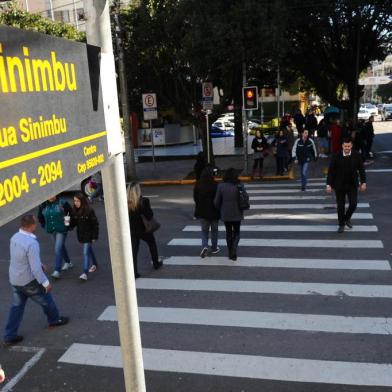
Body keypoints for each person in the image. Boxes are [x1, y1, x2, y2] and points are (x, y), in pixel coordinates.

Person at [3, 215, 69, 346]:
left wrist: (39, 264)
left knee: (17, 307)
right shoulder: (32, 243)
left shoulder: (14, 237)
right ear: (32, 226)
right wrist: (45, 283)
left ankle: (9, 335)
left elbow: (21, 259)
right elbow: (35, 269)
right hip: (28, 281)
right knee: (47, 300)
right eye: (36, 223)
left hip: (15, 280)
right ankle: (54, 319)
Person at [326, 137, 367, 233]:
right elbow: (331, 171)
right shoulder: (336, 156)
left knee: (353, 204)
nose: (347, 148)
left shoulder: (357, 155)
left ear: (351, 146)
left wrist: (363, 182)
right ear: (342, 146)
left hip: (352, 184)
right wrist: (328, 184)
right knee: (340, 206)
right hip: (339, 185)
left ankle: (346, 218)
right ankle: (341, 224)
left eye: (349, 146)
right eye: (345, 146)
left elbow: (361, 170)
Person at [127, 182, 163, 278]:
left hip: (132, 230)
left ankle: (134, 272)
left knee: (134, 251)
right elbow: (149, 215)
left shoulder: (125, 203)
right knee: (152, 244)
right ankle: (156, 263)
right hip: (144, 229)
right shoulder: (144, 201)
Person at [214, 168, 248, 261]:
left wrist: (220, 208)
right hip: (237, 212)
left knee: (228, 233)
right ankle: (234, 250)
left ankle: (230, 252)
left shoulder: (221, 186)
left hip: (226, 213)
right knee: (237, 233)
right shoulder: (239, 185)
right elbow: (246, 197)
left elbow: (216, 202)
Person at [38, 195, 73, 279]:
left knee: (57, 248)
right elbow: (40, 217)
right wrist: (44, 225)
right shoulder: (43, 205)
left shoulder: (62, 203)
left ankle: (57, 270)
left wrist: (67, 225)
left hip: (62, 230)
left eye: (52, 194)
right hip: (51, 230)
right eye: (48, 194)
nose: (50, 196)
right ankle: (68, 262)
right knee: (61, 247)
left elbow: (69, 213)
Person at [71, 193, 99, 281]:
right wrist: (67, 223)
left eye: (78, 201)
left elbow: (95, 224)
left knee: (85, 253)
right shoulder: (74, 210)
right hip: (81, 235)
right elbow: (74, 224)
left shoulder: (89, 210)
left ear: (82, 201)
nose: (76, 203)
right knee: (89, 250)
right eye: (75, 201)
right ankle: (95, 264)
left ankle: (85, 273)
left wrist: (94, 236)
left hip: (89, 235)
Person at [193, 166, 220, 257]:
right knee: (214, 230)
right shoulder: (216, 184)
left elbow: (195, 198)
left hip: (202, 211)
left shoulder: (198, 184)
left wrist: (198, 205)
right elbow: (219, 198)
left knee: (204, 231)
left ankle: (204, 246)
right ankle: (214, 247)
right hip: (214, 211)